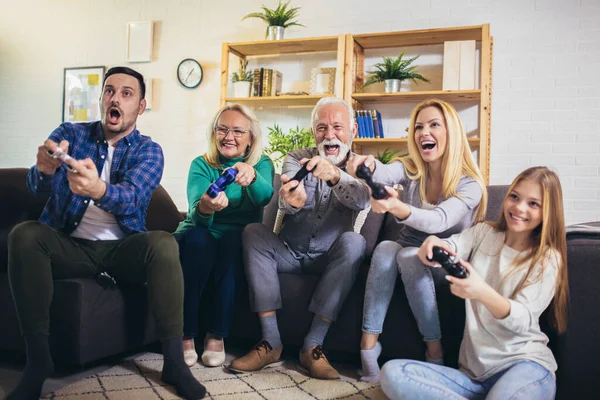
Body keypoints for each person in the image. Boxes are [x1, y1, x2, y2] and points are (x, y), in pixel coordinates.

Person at [6, 67, 206, 400]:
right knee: (24, 234)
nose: (115, 98)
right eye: (109, 91)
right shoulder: (71, 132)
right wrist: (43, 170)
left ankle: (174, 362)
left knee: (163, 242)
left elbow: (134, 199)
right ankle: (38, 361)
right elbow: (36, 188)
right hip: (70, 245)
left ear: (141, 107)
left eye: (127, 93)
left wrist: (98, 189)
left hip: (122, 250)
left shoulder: (149, 150)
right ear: (101, 99)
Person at [379, 166, 568, 399]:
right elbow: (454, 244)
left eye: (533, 204)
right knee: (393, 374)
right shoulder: (483, 233)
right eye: (515, 197)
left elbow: (522, 319)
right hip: (472, 377)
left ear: (547, 212)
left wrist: (480, 291)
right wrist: (435, 243)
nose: (519, 208)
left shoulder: (547, 258)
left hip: (524, 367)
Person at [346, 99, 488, 382]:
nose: (424, 132)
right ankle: (368, 349)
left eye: (434, 125)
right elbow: (385, 172)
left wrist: (397, 208)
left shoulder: (470, 183)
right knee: (388, 248)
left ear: (451, 132)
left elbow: (439, 221)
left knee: (408, 255)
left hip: (445, 261)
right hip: (405, 253)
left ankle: (434, 351)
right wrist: (369, 164)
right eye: (419, 127)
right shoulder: (410, 167)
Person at [229, 97, 371, 380]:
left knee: (355, 242)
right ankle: (271, 342)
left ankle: (313, 347)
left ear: (353, 129)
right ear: (313, 130)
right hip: (289, 251)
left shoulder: (362, 166)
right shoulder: (296, 157)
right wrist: (291, 200)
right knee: (253, 233)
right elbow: (286, 197)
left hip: (329, 257)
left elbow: (362, 198)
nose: (329, 135)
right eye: (321, 127)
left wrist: (334, 176)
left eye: (337, 127)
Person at [173, 104, 274, 368]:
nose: (229, 136)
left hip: (236, 239)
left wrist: (251, 177)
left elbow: (265, 197)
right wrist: (206, 207)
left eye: (238, 131)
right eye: (223, 129)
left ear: (251, 138)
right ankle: (185, 337)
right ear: (214, 133)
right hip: (200, 233)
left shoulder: (262, 164)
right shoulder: (202, 164)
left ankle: (216, 336)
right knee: (197, 240)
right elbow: (195, 215)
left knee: (233, 241)